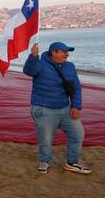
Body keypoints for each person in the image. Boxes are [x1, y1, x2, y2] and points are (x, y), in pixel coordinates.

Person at [23, 42, 91, 175]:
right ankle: (45, 162)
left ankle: (71, 163)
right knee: (46, 140)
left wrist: (76, 106)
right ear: (54, 53)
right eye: (64, 51)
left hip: (65, 109)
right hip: (44, 110)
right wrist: (33, 56)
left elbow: (76, 87)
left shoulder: (70, 67)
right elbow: (28, 71)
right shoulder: (40, 64)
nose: (67, 54)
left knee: (78, 134)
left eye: (67, 51)